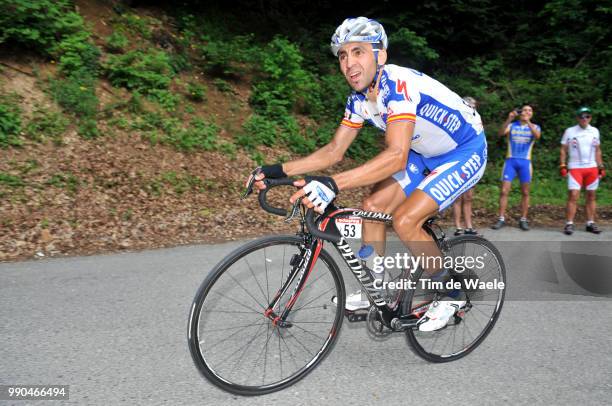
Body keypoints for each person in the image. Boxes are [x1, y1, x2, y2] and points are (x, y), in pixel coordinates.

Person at [247, 17, 486, 332]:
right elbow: (334, 151)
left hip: (464, 150)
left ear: (380, 56)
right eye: (343, 56)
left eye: (358, 52)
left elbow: (396, 156)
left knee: (405, 220)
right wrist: (276, 171)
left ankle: (451, 292)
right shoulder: (358, 100)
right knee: (373, 209)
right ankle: (379, 284)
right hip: (423, 152)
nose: (349, 63)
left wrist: (332, 183)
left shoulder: (398, 86)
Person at [491, 104, 541, 231]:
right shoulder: (512, 125)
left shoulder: (535, 126)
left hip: (525, 162)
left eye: (530, 110)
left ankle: (523, 219)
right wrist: (509, 118)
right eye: (524, 110)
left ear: (532, 114)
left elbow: (537, 136)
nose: (527, 112)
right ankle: (501, 218)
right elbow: (501, 133)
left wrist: (528, 121)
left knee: (525, 192)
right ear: (520, 112)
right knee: (504, 191)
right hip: (510, 162)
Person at [560, 107, 605, 235]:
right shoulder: (570, 131)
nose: (584, 119)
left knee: (591, 195)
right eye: (581, 116)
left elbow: (597, 150)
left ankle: (590, 223)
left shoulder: (595, 131)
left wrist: (600, 166)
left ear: (590, 117)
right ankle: (569, 223)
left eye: (587, 116)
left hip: (591, 167)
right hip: (575, 167)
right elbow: (563, 149)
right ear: (577, 118)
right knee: (573, 195)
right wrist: (563, 165)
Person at [452, 96, 480, 236]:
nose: (472, 107)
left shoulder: (477, 122)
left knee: (468, 196)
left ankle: (469, 226)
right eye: (469, 104)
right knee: (457, 196)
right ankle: (458, 226)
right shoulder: (457, 120)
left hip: (471, 160)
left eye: (474, 105)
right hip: (457, 160)